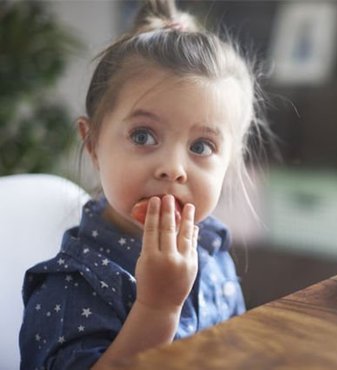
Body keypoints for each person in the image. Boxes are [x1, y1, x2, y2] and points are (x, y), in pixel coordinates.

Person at [19, 0, 262, 368]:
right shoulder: (70, 286)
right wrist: (157, 307)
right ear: (93, 143)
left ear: (228, 163)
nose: (173, 169)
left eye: (201, 146)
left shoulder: (211, 249)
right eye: (144, 136)